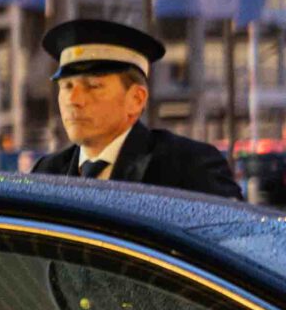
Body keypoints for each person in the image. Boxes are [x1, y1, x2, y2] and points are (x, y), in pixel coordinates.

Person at [30, 18, 242, 197]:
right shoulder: (48, 174)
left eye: (93, 86)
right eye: (66, 86)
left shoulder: (189, 167)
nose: (73, 99)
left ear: (136, 99)